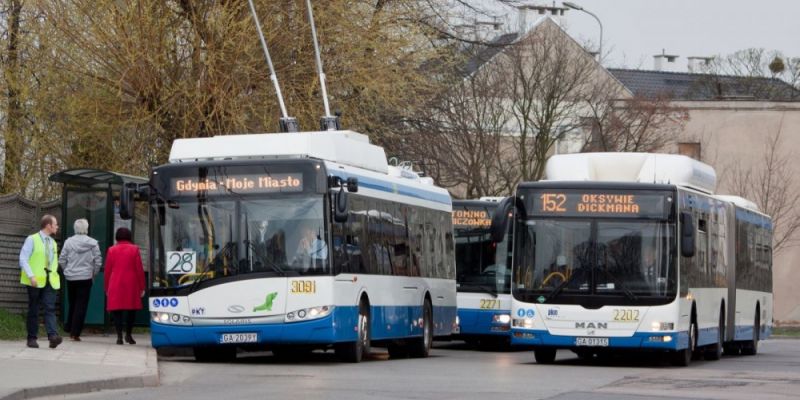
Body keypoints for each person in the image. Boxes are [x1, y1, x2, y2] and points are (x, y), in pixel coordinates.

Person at [19, 214, 62, 349]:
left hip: (50, 280)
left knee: (50, 307)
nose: (57, 226)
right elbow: (23, 259)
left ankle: (52, 336)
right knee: (34, 309)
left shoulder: (53, 243)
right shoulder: (32, 239)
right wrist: (31, 276)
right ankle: (31, 338)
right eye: (55, 224)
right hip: (35, 280)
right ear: (48, 225)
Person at [58, 218, 102, 341]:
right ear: (86, 228)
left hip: (71, 278)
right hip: (85, 277)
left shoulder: (68, 242)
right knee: (81, 305)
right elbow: (98, 261)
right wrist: (94, 273)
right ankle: (75, 333)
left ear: (75, 228)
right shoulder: (93, 243)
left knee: (73, 303)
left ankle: (69, 327)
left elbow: (62, 259)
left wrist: (67, 271)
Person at [104, 227, 145, 345]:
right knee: (131, 310)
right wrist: (142, 286)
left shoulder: (111, 250)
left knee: (117, 311)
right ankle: (129, 335)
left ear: (117, 236)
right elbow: (139, 269)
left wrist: (106, 287)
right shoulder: (134, 249)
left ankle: (119, 337)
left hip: (115, 282)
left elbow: (107, 270)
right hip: (131, 284)